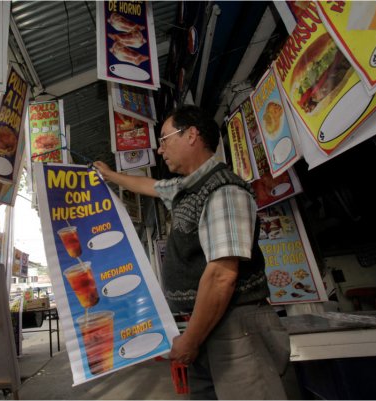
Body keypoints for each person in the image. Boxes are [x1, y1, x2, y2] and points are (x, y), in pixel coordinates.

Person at [93, 105, 290, 400]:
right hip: (206, 328)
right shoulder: (188, 187)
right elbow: (151, 186)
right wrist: (110, 175)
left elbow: (223, 275)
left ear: (192, 135)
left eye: (164, 139)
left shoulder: (224, 190)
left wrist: (190, 340)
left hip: (236, 328)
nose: (160, 150)